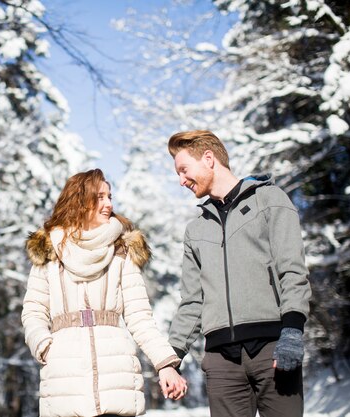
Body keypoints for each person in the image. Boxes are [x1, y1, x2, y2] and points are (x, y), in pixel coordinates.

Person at [166, 130, 312, 417]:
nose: (181, 180)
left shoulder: (269, 200)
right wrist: (171, 356)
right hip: (221, 362)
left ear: (208, 159)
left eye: (183, 170)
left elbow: (292, 270)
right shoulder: (196, 230)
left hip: (274, 350)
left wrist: (292, 330)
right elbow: (192, 301)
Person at [21, 168, 187, 417]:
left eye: (109, 196)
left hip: (116, 380)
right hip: (64, 381)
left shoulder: (122, 251)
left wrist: (166, 364)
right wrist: (45, 347)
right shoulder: (49, 253)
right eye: (99, 197)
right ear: (79, 201)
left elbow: (140, 317)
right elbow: (33, 312)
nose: (108, 203)